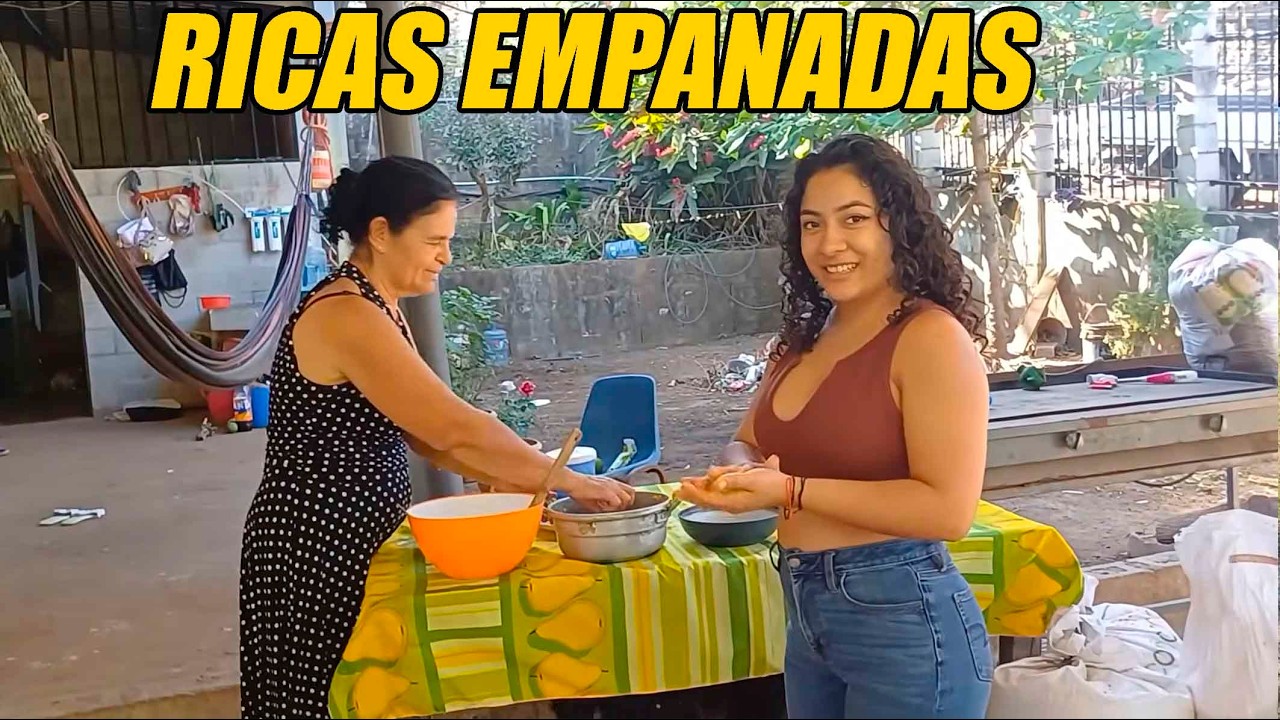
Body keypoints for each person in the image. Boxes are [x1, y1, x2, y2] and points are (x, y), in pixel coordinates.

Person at [238, 156, 636, 719]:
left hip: (348, 533)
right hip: (315, 541)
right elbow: (451, 426)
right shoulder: (347, 312)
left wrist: (521, 490)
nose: (446, 256)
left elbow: (429, 439)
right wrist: (567, 480)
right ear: (380, 233)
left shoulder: (377, 305)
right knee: (321, 697)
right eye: (434, 241)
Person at [676, 135, 993, 719]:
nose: (830, 243)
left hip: (903, 620)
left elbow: (947, 511)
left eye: (854, 219)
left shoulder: (929, 338)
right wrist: (740, 476)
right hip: (806, 608)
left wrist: (789, 492)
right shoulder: (805, 337)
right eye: (811, 224)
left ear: (897, 226)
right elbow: (747, 440)